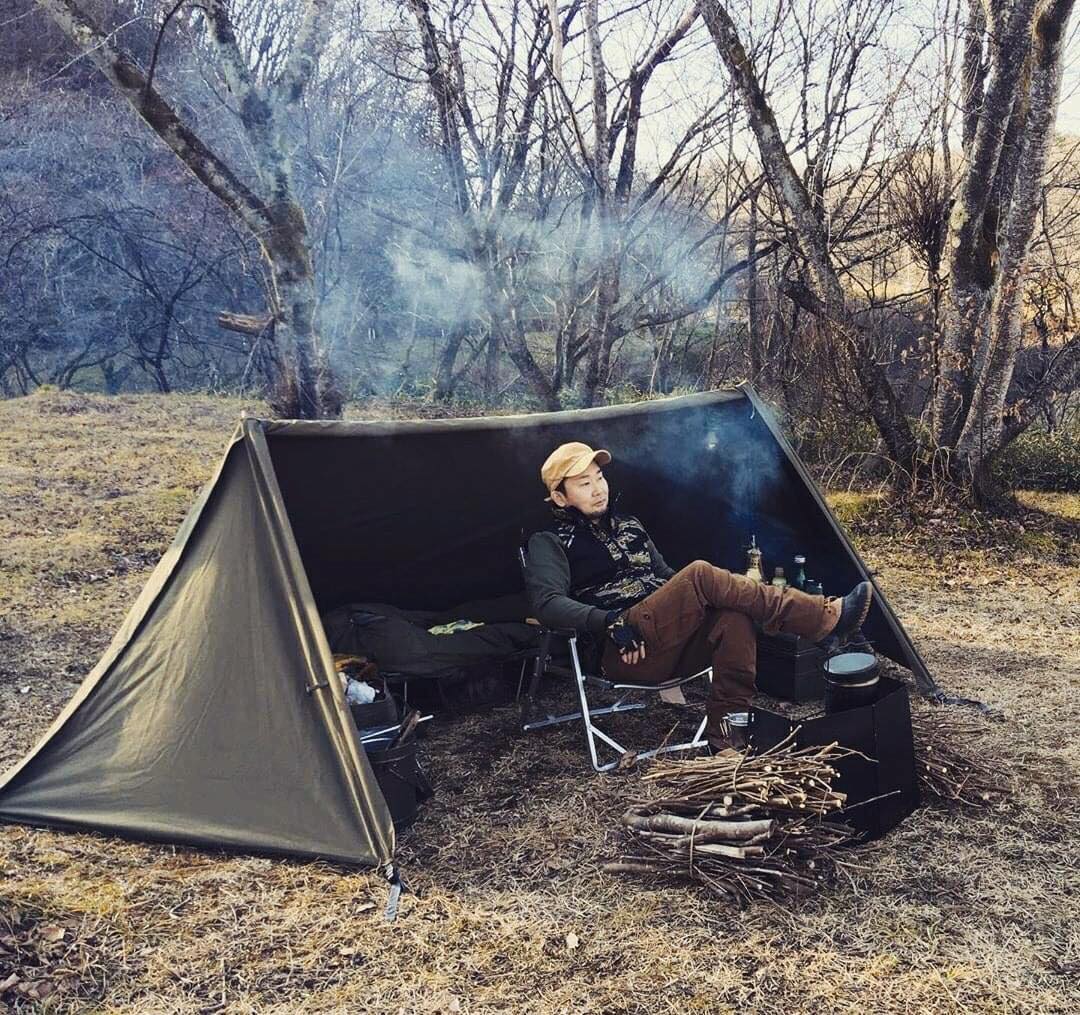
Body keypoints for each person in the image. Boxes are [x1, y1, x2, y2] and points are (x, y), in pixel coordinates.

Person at [523, 441, 873, 752]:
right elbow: (547, 603)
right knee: (700, 573)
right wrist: (609, 621)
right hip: (623, 647)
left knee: (733, 618)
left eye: (599, 478)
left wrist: (711, 597)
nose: (598, 489)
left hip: (671, 639)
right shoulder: (549, 541)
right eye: (584, 484)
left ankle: (727, 739)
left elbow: (666, 577)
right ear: (560, 497)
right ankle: (821, 619)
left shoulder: (630, 526)